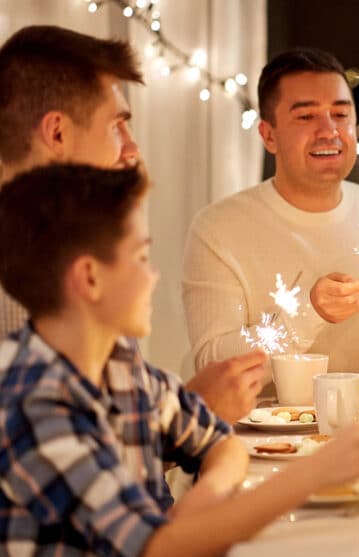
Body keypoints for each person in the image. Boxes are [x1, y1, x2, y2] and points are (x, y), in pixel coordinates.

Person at [0, 164, 359, 557]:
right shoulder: (32, 399)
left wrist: (199, 501)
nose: (153, 277)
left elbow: (216, 439)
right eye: (141, 258)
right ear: (89, 277)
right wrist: (315, 471)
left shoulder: (117, 365)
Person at [0, 25, 265, 423]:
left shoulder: (84, 237)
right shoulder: (26, 272)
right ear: (57, 133)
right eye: (115, 126)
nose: (132, 148)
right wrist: (196, 410)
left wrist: (184, 410)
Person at [183, 47, 359, 378]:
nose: (329, 131)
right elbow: (212, 365)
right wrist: (309, 313)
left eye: (340, 115)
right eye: (306, 116)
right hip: (254, 429)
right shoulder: (219, 229)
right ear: (268, 135)